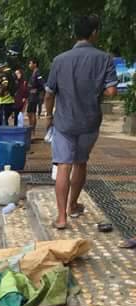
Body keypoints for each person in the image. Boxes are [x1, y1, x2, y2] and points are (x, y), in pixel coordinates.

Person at [44, 14, 118, 229]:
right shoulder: (104, 58)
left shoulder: (60, 59)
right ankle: (73, 205)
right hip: (89, 121)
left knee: (63, 165)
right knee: (80, 162)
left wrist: (49, 116)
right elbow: (112, 90)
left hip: (64, 122)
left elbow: (49, 93)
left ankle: (61, 218)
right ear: (94, 33)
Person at [0, 62, 16, 126]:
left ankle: (1, 133)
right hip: (10, 99)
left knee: (2, 119)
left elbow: (5, 84)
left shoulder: (3, 74)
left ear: (0, 67)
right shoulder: (12, 73)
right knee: (5, 118)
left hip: (3, 100)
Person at [27, 59, 45, 130]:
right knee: (30, 112)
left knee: (31, 112)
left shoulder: (37, 73)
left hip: (34, 96)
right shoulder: (34, 73)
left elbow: (42, 83)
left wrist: (37, 90)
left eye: (30, 63)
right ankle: (31, 128)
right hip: (31, 95)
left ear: (35, 64)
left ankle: (32, 129)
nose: (29, 65)